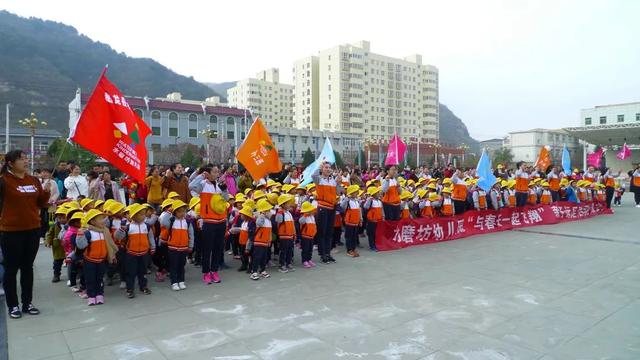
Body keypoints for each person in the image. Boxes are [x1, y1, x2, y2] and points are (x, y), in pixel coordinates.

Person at [0, 150, 51, 319]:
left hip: (32, 229)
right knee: (11, 269)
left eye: (26, 158)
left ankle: (27, 303)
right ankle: (13, 305)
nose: (26, 161)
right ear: (10, 163)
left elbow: (41, 203)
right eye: (21, 159)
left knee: (27, 267)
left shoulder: (33, 180)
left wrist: (46, 192)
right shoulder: (4, 181)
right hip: (11, 231)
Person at [189, 166, 229, 284]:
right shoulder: (203, 184)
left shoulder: (219, 185)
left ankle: (214, 271)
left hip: (221, 221)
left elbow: (226, 199)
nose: (217, 174)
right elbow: (191, 186)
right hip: (209, 222)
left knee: (218, 248)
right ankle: (206, 273)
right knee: (207, 249)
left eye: (218, 172)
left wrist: (225, 189)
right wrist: (201, 176)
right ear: (208, 173)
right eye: (215, 172)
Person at [76, 209, 117, 305]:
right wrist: (80, 236)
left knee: (99, 279)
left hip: (101, 261)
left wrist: (112, 255)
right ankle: (91, 296)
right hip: (90, 261)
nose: (103, 221)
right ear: (92, 221)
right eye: (100, 219)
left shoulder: (104, 232)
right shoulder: (88, 233)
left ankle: (99, 294)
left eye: (103, 218)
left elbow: (110, 246)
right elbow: (81, 246)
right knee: (90, 279)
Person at [115, 203, 155, 298]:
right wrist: (121, 230)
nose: (143, 216)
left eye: (144, 214)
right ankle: (130, 289)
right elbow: (117, 237)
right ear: (134, 216)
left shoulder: (146, 226)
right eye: (141, 214)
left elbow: (150, 237)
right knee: (130, 272)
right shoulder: (128, 227)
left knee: (143, 271)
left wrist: (153, 247)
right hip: (131, 253)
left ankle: (143, 286)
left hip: (144, 253)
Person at [312, 162, 342, 264]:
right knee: (322, 232)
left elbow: (338, 193)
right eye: (326, 167)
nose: (328, 169)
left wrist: (338, 183)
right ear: (322, 169)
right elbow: (313, 175)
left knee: (329, 232)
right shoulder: (319, 179)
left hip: (331, 208)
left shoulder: (333, 180)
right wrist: (318, 167)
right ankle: (322, 254)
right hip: (322, 207)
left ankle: (328, 253)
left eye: (329, 168)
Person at [162, 200, 194, 291]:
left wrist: (190, 245)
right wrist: (169, 211)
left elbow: (191, 234)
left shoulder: (187, 222)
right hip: (173, 248)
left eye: (183, 211)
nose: (182, 213)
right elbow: (163, 221)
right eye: (179, 211)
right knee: (174, 265)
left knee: (181, 265)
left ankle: (181, 281)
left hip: (184, 248)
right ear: (175, 212)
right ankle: (174, 282)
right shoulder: (171, 221)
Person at [250, 199, 273, 280]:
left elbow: (270, 231)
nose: (270, 212)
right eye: (268, 210)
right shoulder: (260, 217)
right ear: (264, 211)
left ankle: (262, 270)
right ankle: (254, 272)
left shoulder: (268, 220)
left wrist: (269, 240)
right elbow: (259, 223)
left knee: (264, 257)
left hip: (266, 242)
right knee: (257, 257)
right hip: (259, 241)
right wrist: (262, 214)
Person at [45, 207, 68, 283]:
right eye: (59, 218)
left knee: (72, 262)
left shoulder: (70, 225)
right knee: (57, 262)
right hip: (58, 247)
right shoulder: (54, 225)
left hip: (68, 246)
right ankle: (56, 274)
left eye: (63, 218)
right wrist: (48, 242)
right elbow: (49, 234)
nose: (61, 219)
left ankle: (74, 275)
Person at [275, 194, 296, 272]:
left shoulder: (289, 213)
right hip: (283, 236)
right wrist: (279, 211)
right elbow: (278, 221)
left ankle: (288, 263)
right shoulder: (281, 213)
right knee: (283, 250)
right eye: (287, 203)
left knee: (290, 250)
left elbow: (292, 224)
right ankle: (281, 265)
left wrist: (294, 233)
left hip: (290, 235)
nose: (289, 204)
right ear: (283, 204)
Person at [341, 185, 362, 258]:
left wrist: (360, 219)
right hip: (349, 222)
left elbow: (359, 210)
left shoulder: (357, 201)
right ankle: (349, 250)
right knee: (349, 236)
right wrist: (346, 199)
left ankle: (353, 248)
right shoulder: (348, 201)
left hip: (356, 222)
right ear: (351, 193)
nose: (357, 193)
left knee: (354, 236)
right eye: (355, 192)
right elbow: (342, 206)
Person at [364, 186, 383, 252]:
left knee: (376, 233)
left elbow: (381, 210)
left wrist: (383, 217)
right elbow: (365, 207)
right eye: (377, 193)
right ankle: (372, 246)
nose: (378, 194)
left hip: (378, 220)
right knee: (371, 234)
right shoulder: (370, 200)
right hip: (371, 220)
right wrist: (369, 199)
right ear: (373, 194)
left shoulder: (380, 201)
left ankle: (376, 245)